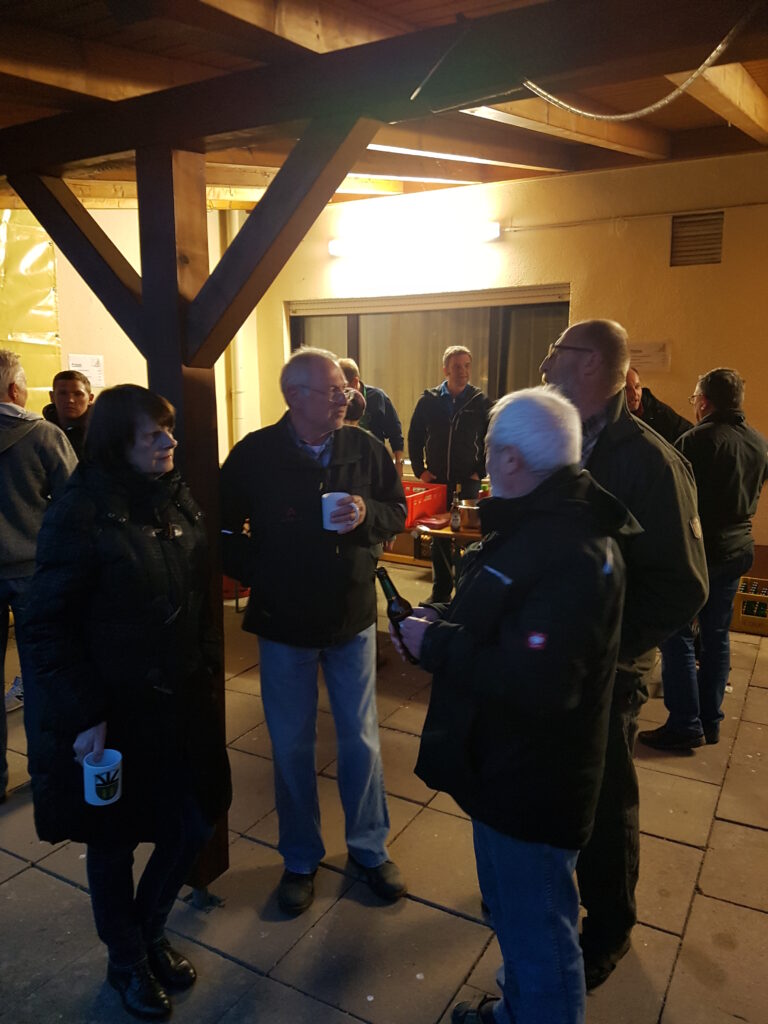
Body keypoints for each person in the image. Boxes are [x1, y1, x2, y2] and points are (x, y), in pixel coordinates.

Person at [395, 387, 635, 1024]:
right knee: (515, 916)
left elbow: (541, 683)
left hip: (532, 781)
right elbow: (504, 617)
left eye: (487, 450)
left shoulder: (568, 547)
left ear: (510, 459)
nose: (482, 463)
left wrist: (436, 646)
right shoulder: (540, 523)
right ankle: (513, 1012)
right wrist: (442, 615)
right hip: (503, 765)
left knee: (541, 938)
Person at [23, 385, 231, 1022]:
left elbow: (197, 592)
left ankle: (149, 932)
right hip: (114, 712)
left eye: (169, 430)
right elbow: (45, 624)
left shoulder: (175, 496)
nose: (171, 442)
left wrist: (205, 663)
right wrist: (86, 712)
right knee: (113, 842)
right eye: (155, 434)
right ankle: (126, 959)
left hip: (180, 702)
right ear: (118, 443)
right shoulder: (81, 510)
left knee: (191, 823)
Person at [539, 320, 708, 990]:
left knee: (606, 804)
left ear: (589, 364)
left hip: (608, 671)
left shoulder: (650, 462)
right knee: (552, 786)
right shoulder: (559, 439)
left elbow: (684, 587)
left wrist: (611, 649)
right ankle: (548, 888)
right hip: (551, 657)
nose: (544, 364)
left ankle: (608, 927)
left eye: (555, 352)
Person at [220, 347, 407, 915]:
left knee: (361, 740)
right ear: (294, 397)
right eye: (332, 391)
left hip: (351, 616)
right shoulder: (256, 453)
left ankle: (369, 849)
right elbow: (220, 527)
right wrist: (263, 573)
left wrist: (367, 515)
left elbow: (397, 510)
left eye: (345, 389)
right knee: (291, 745)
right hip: (283, 622)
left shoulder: (365, 447)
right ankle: (300, 858)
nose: (346, 398)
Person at [639, 368, 767, 750]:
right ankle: (710, 721)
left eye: (695, 398)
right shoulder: (758, 441)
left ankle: (685, 724)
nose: (694, 405)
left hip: (699, 551)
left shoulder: (696, 441)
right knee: (716, 635)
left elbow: (675, 498)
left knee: (675, 631)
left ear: (705, 402)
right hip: (739, 548)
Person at [0, 349, 76, 804]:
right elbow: (74, 503)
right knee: (41, 678)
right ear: (15, 389)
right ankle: (46, 775)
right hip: (34, 574)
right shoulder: (45, 436)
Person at [408, 346, 491, 601]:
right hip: (438, 482)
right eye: (457, 366)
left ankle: (466, 593)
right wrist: (421, 471)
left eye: (467, 366)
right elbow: (415, 437)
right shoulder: (428, 401)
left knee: (468, 538)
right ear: (446, 369)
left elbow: (492, 439)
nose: (463, 371)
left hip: (468, 482)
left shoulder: (481, 402)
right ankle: (441, 593)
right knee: (439, 538)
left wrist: (480, 471)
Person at [338, 358, 405, 473]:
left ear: (355, 382)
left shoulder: (378, 397)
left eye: (342, 386)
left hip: (375, 465)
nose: (340, 391)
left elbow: (395, 432)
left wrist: (398, 462)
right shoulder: (336, 400)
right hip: (345, 465)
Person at [625, 367, 692, 444]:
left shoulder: (657, 409)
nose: (634, 394)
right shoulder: (614, 416)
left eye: (637, 387)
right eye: (627, 389)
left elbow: (688, 432)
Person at [42, 369, 94, 460]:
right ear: (52, 397)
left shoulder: (102, 434)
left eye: (78, 394)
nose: (70, 400)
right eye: (63, 394)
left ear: (90, 398)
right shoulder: (42, 434)